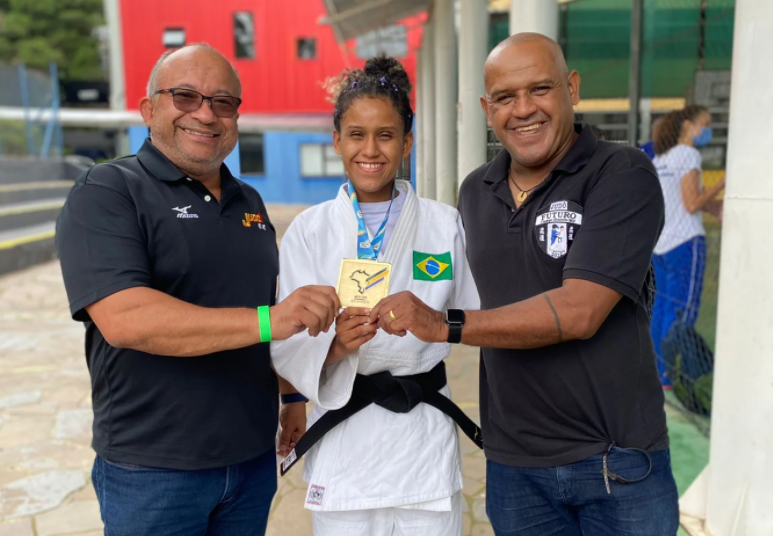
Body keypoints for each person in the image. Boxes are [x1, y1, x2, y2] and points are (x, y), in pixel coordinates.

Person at [370, 33, 679, 535]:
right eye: (505, 97)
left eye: (540, 89)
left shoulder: (621, 173)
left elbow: (579, 311)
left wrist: (444, 324)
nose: (523, 109)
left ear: (572, 88)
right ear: (486, 109)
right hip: (514, 467)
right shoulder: (476, 190)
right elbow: (448, 279)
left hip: (615, 463)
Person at [55, 44, 340, 536]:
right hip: (154, 470)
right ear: (148, 109)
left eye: (223, 102)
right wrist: (271, 320)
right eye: (185, 96)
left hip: (250, 462)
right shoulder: (107, 191)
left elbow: (266, 304)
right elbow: (125, 319)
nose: (206, 114)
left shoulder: (249, 202)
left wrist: (291, 396)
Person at [270, 56, 480, 536]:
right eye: (356, 135)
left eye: (385, 135)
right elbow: (287, 341)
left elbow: (476, 317)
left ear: (407, 143)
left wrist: (434, 323)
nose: (370, 149)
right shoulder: (310, 230)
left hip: (421, 435)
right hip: (345, 439)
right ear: (337, 141)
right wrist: (335, 347)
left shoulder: (444, 223)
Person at [649, 105, 725, 387]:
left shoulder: (662, 158)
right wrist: (724, 182)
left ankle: (660, 372)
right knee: (683, 312)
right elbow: (692, 203)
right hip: (685, 243)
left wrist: (715, 206)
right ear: (687, 126)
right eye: (704, 123)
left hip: (660, 245)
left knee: (661, 310)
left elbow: (684, 200)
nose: (707, 130)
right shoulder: (689, 155)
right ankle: (683, 372)